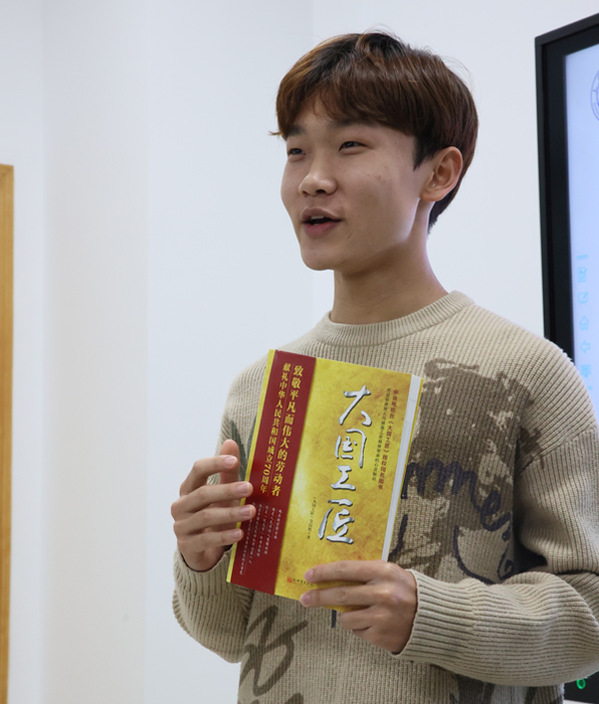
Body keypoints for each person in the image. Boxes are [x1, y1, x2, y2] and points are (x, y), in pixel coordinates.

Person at [171, 31, 599, 703]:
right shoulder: (261, 389)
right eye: (295, 151)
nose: (312, 178)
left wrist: (430, 615)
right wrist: (200, 559)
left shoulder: (524, 371)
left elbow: (589, 613)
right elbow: (232, 636)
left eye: (350, 145)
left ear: (439, 173)